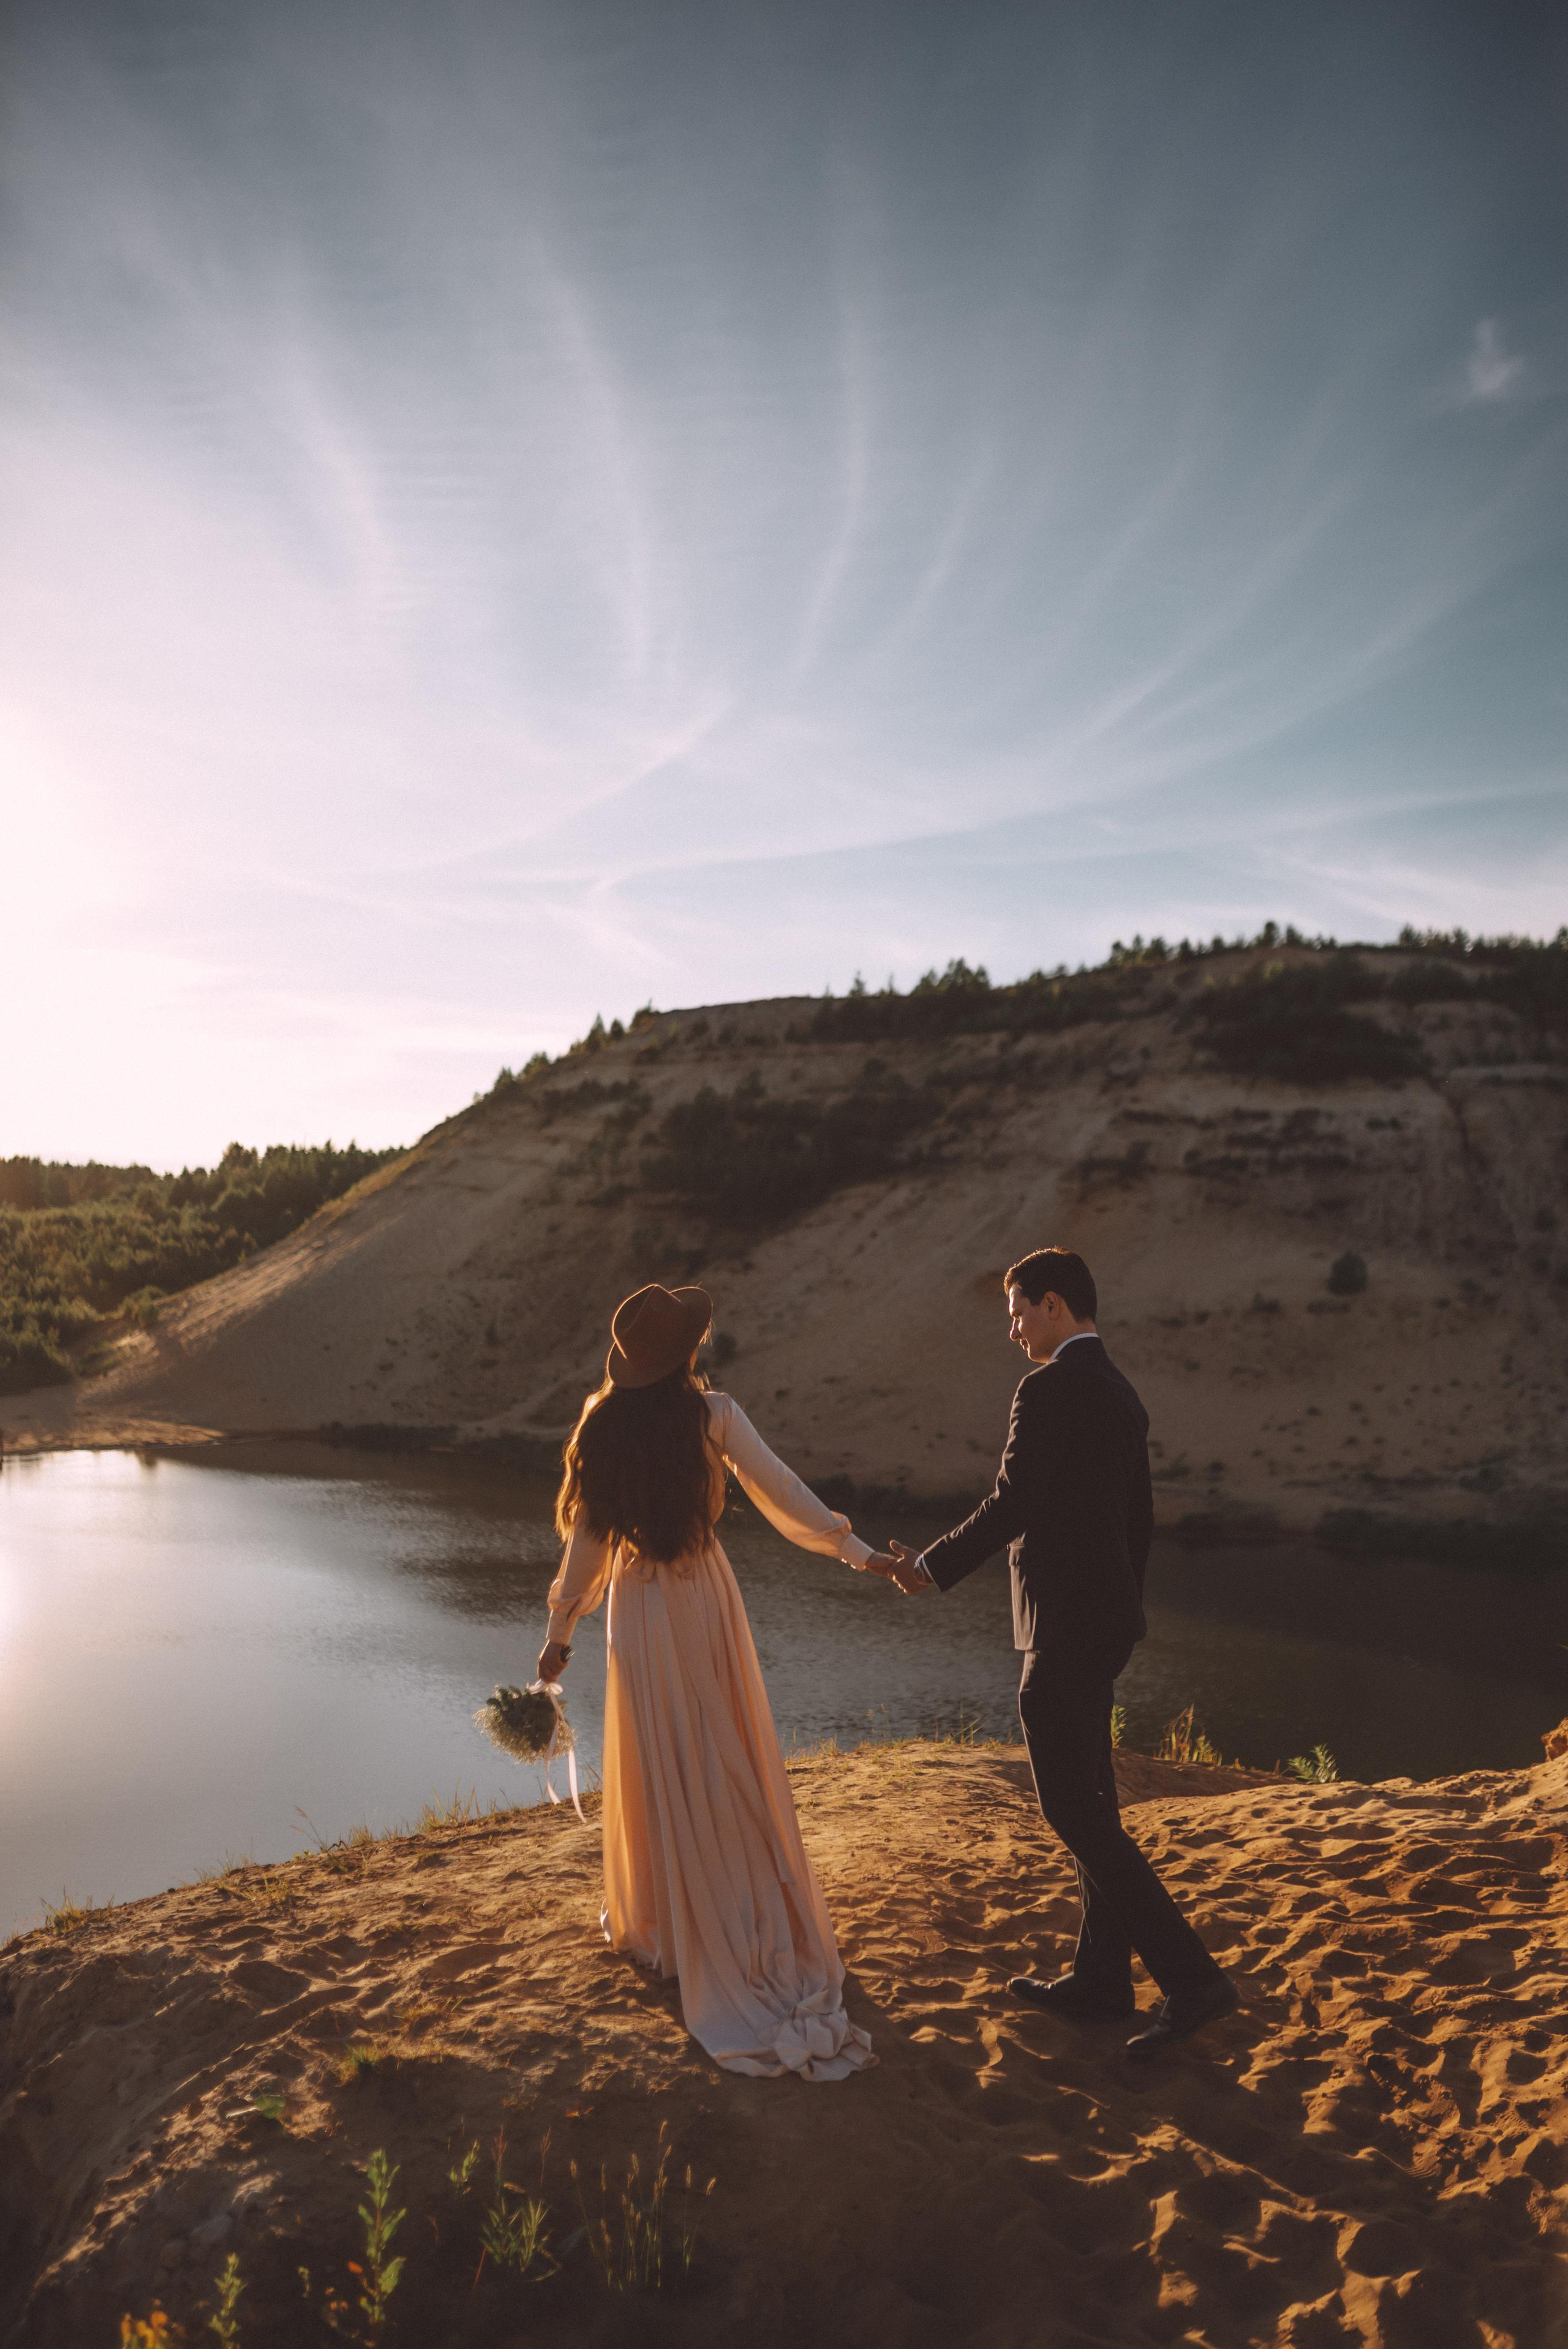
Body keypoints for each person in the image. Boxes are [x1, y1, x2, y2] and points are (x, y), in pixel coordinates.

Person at [883, 1247, 1238, 2061]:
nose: (1011, 1328)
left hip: (1063, 1624)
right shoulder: (1121, 1391)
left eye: (1017, 1310)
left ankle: (1192, 1979)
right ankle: (1103, 1980)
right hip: (1105, 1620)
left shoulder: (1048, 1387)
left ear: (1053, 1303)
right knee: (1094, 1801)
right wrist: (1125, 1608)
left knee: (1069, 1810)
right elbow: (1138, 1521)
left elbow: (1015, 1499)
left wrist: (930, 1567)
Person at [537, 1280, 891, 2081]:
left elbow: (588, 1548)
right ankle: (728, 1912)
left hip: (640, 1611)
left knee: (664, 1762)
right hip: (702, 1596)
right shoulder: (714, 1415)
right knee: (722, 1756)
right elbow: (783, 1491)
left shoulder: (603, 1426)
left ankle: (667, 1922)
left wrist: (559, 1635)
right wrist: (858, 1550)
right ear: (687, 1353)